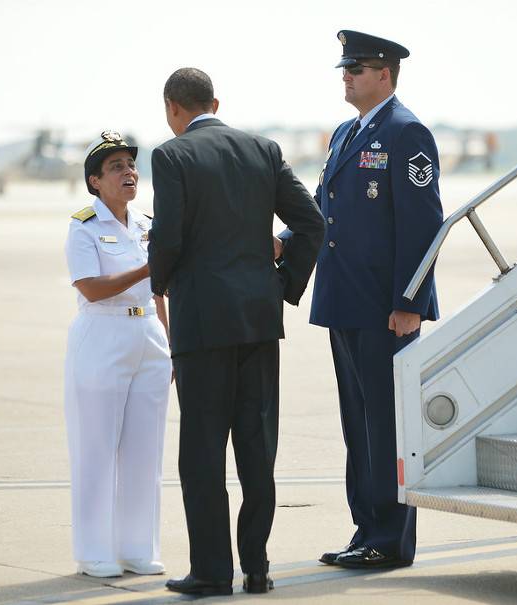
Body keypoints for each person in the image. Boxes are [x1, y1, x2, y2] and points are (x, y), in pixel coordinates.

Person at [148, 67, 325, 596]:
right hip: (258, 321)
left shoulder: (171, 155)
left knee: (202, 451)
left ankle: (211, 572)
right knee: (256, 447)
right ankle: (257, 569)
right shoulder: (263, 150)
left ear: (172, 108)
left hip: (202, 324)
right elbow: (312, 222)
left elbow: (169, 237)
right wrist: (282, 286)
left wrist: (161, 285)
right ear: (214, 103)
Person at [283, 30, 443, 569]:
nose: (347, 75)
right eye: (345, 68)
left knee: (387, 424)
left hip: (384, 308)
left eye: (358, 67)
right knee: (359, 425)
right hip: (345, 300)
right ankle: (366, 526)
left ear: (385, 75)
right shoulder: (346, 134)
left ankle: (391, 538)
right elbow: (334, 214)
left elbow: (423, 225)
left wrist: (409, 300)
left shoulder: (407, 132)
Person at [64, 131, 172, 579]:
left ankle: (136, 547)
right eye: (116, 167)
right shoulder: (83, 226)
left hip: (147, 332)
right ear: (95, 181)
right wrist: (150, 266)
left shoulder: (148, 225)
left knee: (145, 450)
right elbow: (90, 286)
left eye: (130, 164)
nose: (128, 173)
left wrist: (168, 340)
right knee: (97, 448)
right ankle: (93, 551)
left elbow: (159, 290)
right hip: (103, 332)